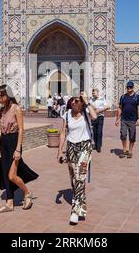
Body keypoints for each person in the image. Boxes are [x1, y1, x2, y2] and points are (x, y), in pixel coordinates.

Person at [0, 84, 38, 213]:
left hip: (14, 142)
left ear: (7, 95)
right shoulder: (2, 110)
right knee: (5, 173)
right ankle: (9, 203)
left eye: (0, 95)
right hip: (3, 143)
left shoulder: (16, 109)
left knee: (12, 175)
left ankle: (27, 192)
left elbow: (21, 129)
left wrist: (18, 148)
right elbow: (0, 128)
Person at [57, 92, 98, 225]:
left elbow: (95, 116)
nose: (74, 102)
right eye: (73, 100)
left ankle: (76, 211)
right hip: (71, 148)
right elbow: (63, 132)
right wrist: (59, 151)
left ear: (81, 102)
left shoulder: (86, 111)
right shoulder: (67, 114)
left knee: (80, 177)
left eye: (77, 100)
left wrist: (87, 101)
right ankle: (77, 198)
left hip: (85, 147)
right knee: (74, 178)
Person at [115, 81, 139, 159]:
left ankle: (130, 151)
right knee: (123, 135)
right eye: (127, 87)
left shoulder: (137, 97)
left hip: (133, 120)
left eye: (130, 87)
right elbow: (120, 108)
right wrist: (117, 119)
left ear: (133, 87)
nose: (129, 88)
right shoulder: (123, 97)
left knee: (132, 136)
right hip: (124, 119)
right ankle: (124, 151)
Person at [90, 89, 109, 153]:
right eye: (92, 93)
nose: (93, 94)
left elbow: (107, 107)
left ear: (98, 93)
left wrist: (100, 110)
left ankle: (99, 146)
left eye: (94, 93)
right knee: (94, 132)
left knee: (99, 131)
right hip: (93, 117)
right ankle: (96, 144)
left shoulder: (102, 99)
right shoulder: (91, 100)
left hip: (100, 117)